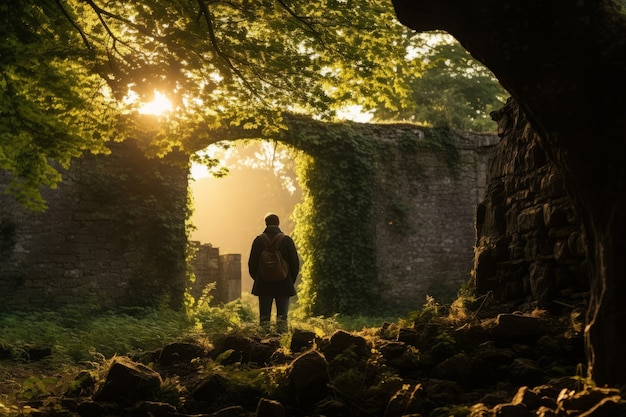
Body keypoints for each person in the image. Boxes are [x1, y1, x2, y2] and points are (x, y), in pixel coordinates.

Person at [248, 213, 300, 333]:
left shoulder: (258, 240)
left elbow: (252, 264)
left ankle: (264, 344)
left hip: (263, 285)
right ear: (278, 223)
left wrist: (259, 278)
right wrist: (289, 280)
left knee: (264, 318)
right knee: (282, 318)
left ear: (266, 224)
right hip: (283, 284)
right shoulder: (287, 240)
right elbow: (295, 264)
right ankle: (282, 345)